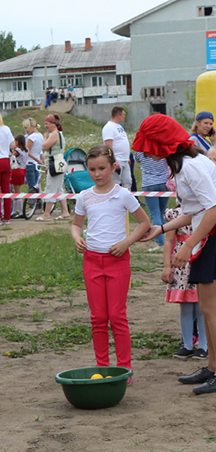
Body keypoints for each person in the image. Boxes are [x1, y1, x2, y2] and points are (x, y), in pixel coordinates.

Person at [134, 114, 216, 394]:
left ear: (162, 144)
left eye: (149, 144)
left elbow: (213, 210)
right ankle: (212, 368)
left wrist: (189, 244)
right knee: (207, 309)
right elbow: (193, 211)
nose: (145, 150)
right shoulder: (184, 165)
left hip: (211, 238)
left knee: (210, 309)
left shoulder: (192, 167)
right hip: (206, 235)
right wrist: (161, 228)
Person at [70, 145, 150, 378]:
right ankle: (103, 368)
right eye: (92, 169)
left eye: (102, 168)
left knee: (116, 316)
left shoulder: (123, 194)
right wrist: (77, 237)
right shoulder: (84, 196)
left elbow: (144, 223)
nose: (97, 173)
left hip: (117, 260)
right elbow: (76, 224)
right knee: (98, 318)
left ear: (114, 167)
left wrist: (127, 242)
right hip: (92, 261)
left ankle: (124, 368)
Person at [162, 206, 208, 360]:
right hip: (181, 264)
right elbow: (168, 241)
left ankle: (204, 345)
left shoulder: (208, 212)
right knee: (186, 306)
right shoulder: (174, 214)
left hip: (202, 257)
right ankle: (187, 344)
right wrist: (167, 266)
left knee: (203, 307)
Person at [37, 114, 72, 221]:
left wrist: (45, 137)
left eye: (47, 123)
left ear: (53, 124)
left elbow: (44, 146)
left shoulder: (54, 134)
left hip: (55, 162)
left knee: (50, 187)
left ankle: (47, 213)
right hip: (58, 162)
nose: (45, 126)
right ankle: (65, 211)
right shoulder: (58, 133)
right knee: (58, 188)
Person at [135, 150, 170, 251]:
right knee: (162, 213)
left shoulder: (140, 151)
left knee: (155, 214)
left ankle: (160, 243)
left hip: (149, 184)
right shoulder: (161, 149)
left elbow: (137, 160)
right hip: (164, 183)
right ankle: (167, 240)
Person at [102, 106, 132, 189]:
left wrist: (127, 157)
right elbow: (108, 144)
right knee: (116, 183)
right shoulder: (109, 127)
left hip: (124, 159)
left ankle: (126, 200)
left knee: (128, 181)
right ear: (118, 115)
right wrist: (114, 160)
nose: (124, 117)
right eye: (123, 115)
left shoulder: (119, 126)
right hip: (117, 159)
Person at [23, 117, 44, 193]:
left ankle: (32, 202)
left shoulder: (31, 137)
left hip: (30, 163)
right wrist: (41, 159)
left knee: (31, 187)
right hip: (37, 164)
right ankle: (37, 203)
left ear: (32, 126)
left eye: (26, 128)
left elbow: (27, 151)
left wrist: (38, 160)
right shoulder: (40, 136)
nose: (26, 130)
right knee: (37, 186)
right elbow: (40, 150)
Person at [10, 134, 28, 217]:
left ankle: (18, 211)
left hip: (16, 170)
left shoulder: (17, 150)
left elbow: (12, 156)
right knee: (18, 190)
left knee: (16, 191)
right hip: (23, 169)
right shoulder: (26, 150)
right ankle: (17, 211)